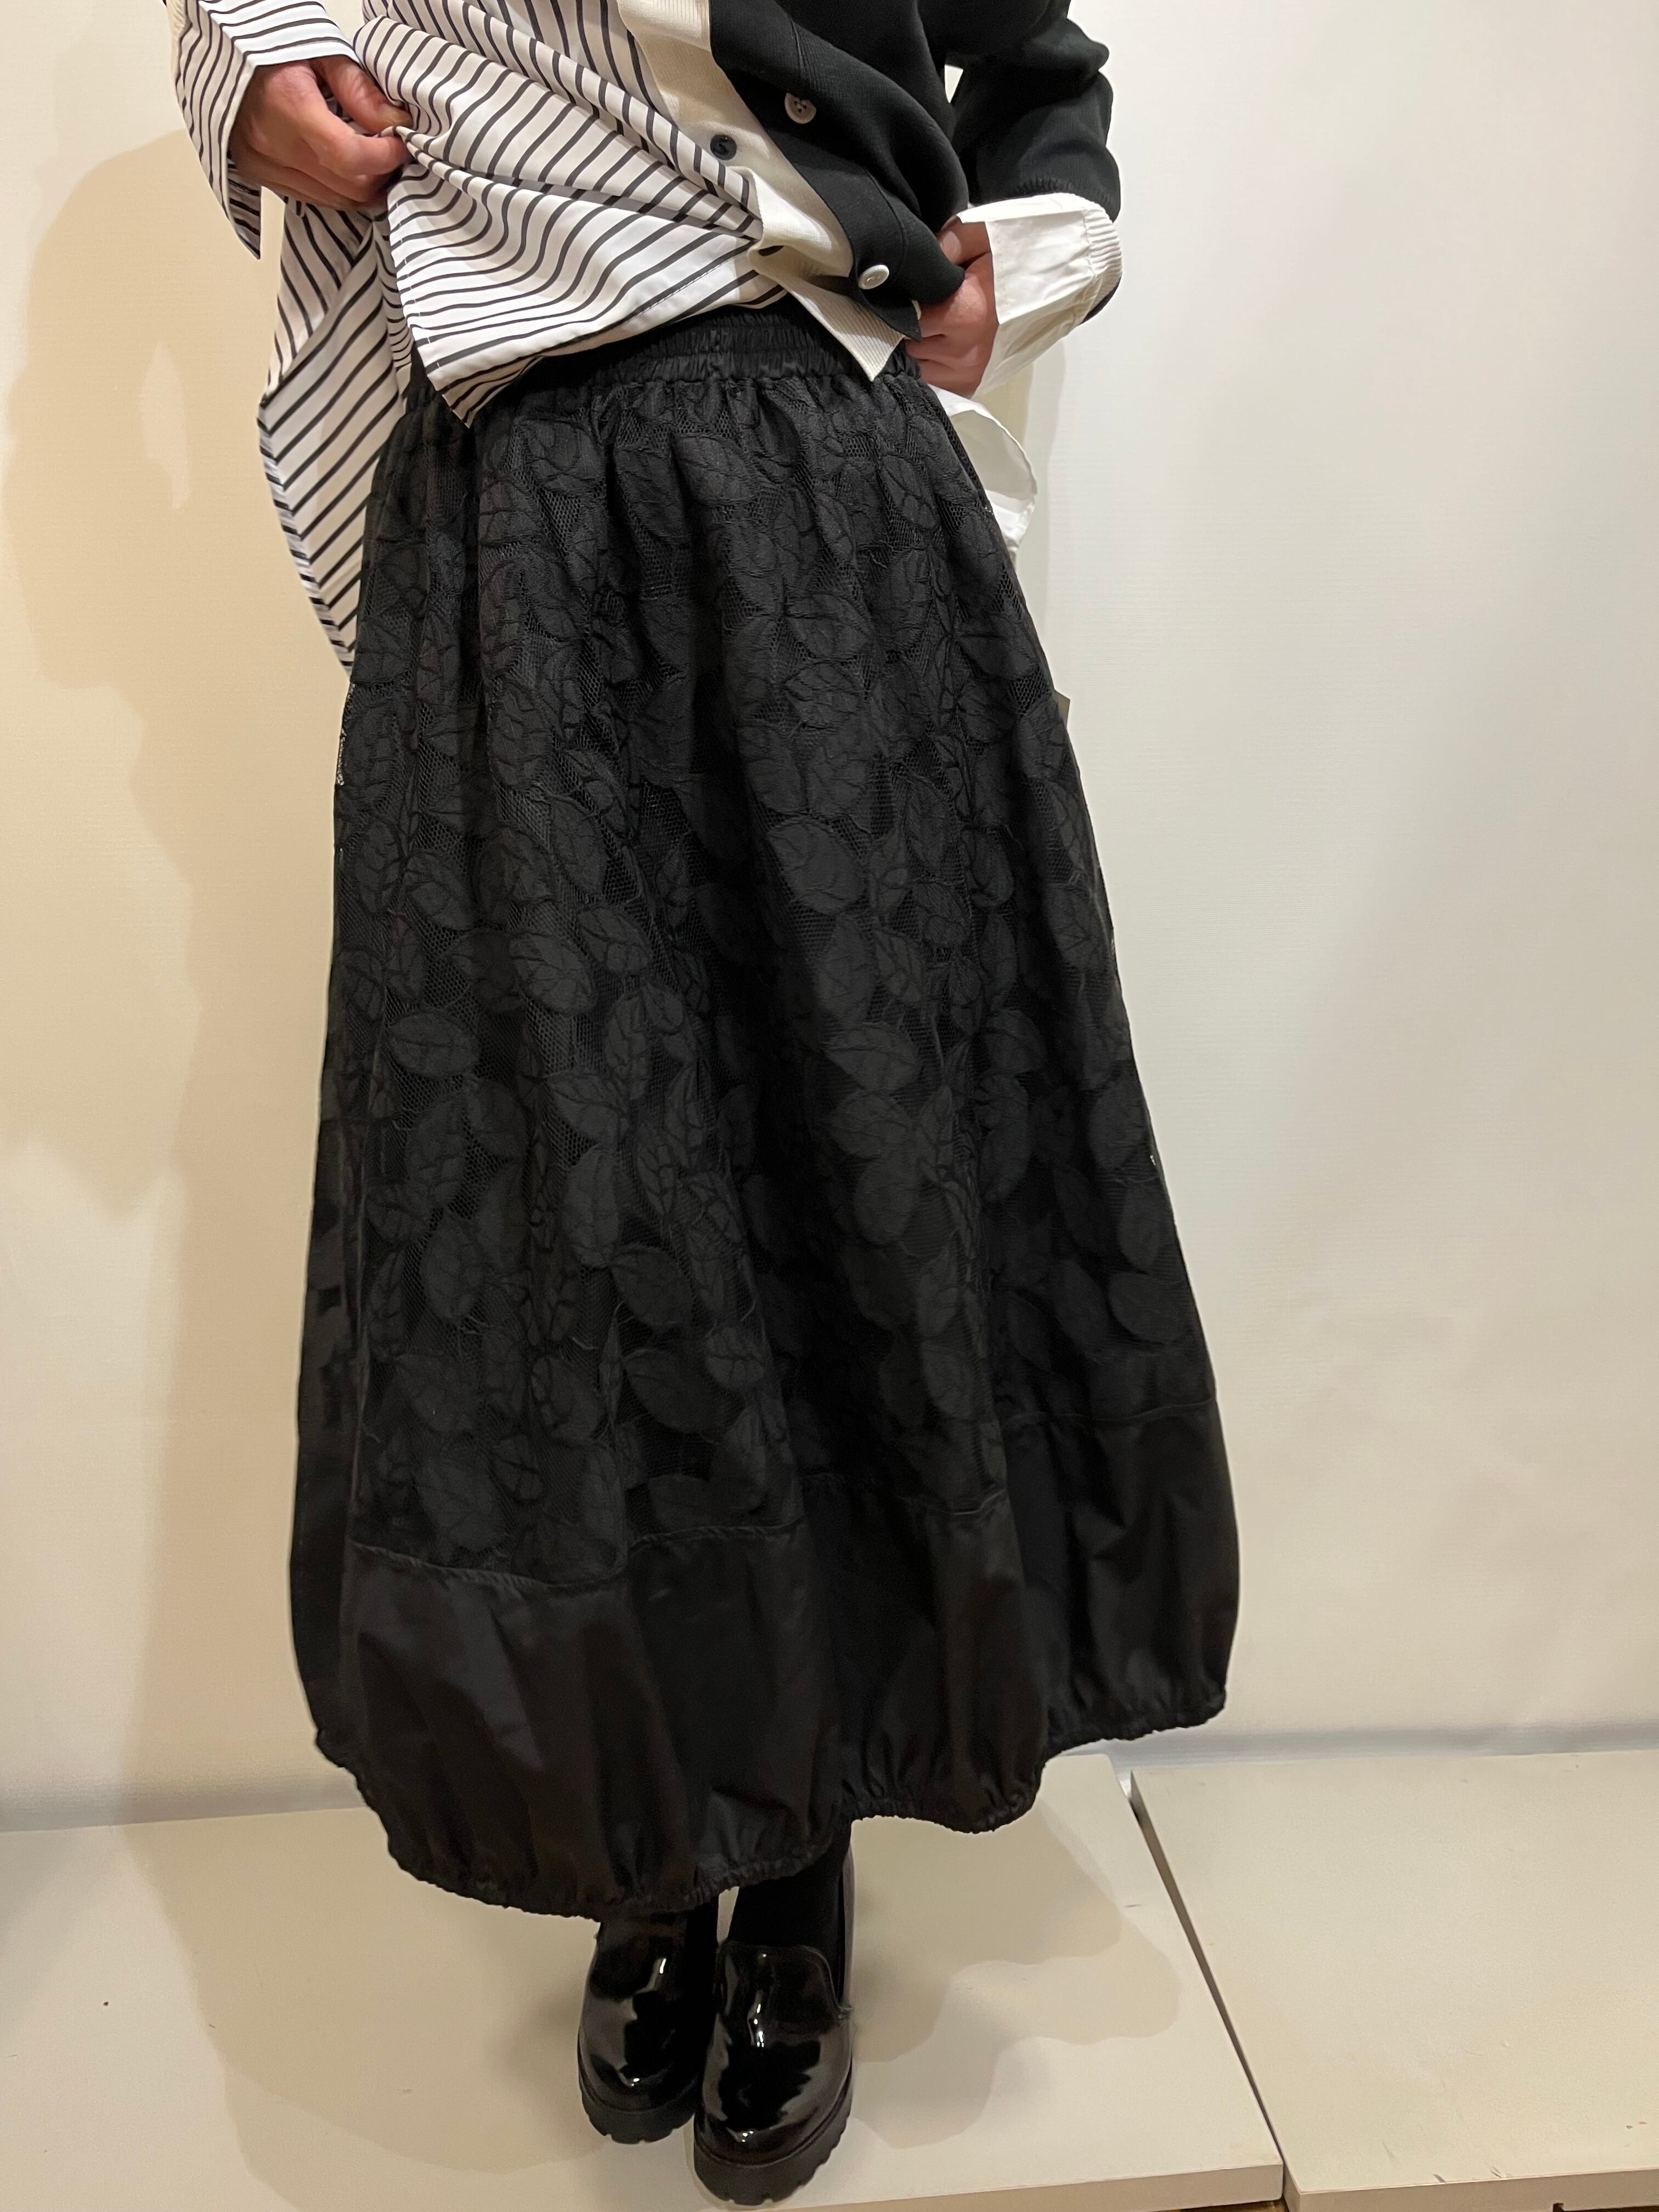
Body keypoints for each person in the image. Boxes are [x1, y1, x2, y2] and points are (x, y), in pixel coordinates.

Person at [166, 2, 1240, 2199]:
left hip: (808, 479)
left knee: (839, 1164)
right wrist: (245, 75)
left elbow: (1041, 76)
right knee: (575, 1213)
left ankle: (802, 1844)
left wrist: (1010, 262)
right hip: (504, 508)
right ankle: (647, 1836)